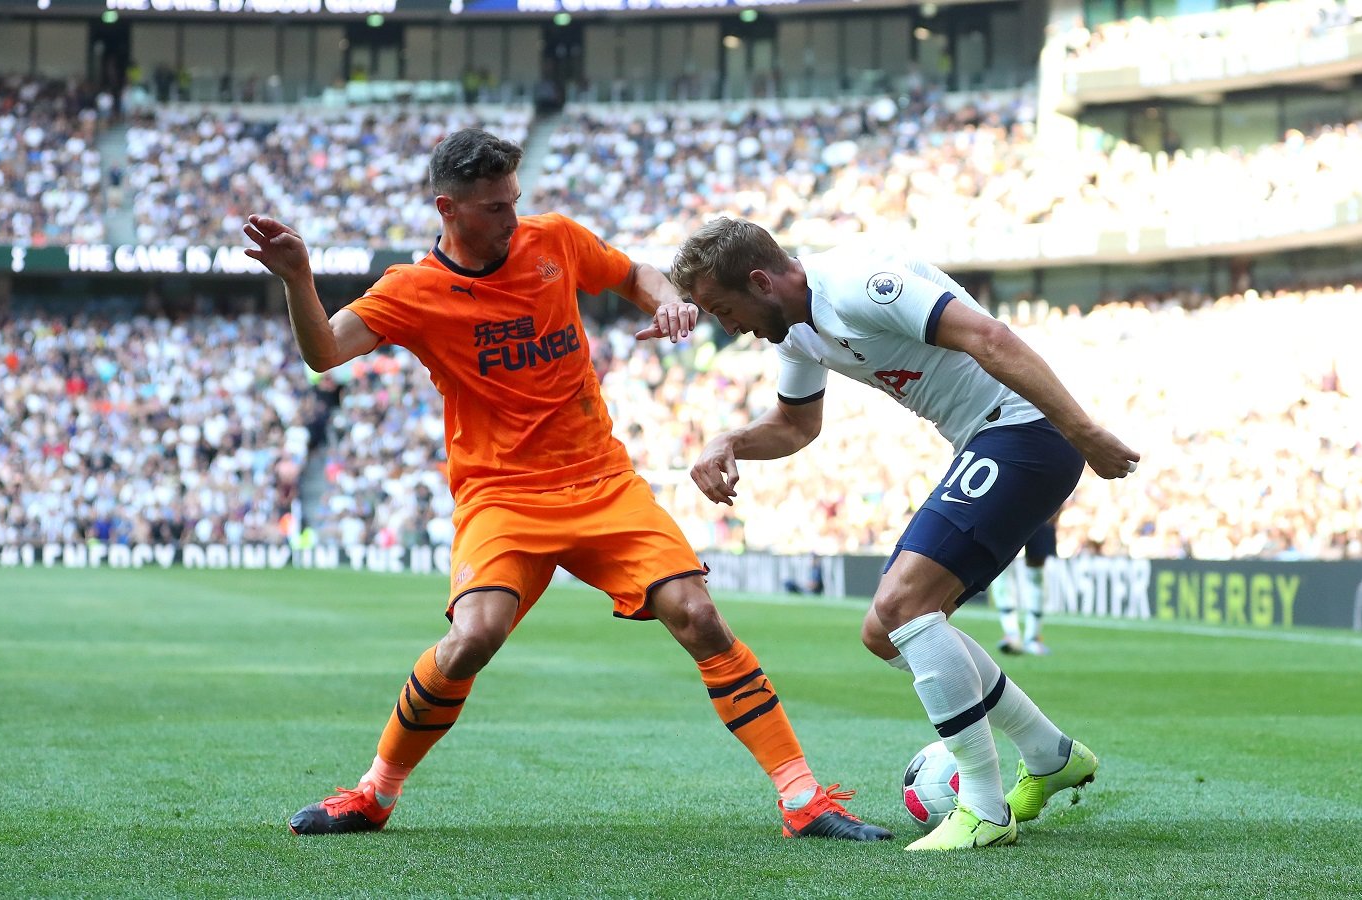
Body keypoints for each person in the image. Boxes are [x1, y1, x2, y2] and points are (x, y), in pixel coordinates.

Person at [243, 130, 889, 842]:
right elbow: (324, 352)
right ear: (447, 209)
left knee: (699, 617)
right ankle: (374, 792)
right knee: (472, 638)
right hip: (502, 495)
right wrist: (297, 277)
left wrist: (667, 299)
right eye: (494, 207)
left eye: (515, 200)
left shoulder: (554, 241)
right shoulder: (413, 291)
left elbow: (635, 272)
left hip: (601, 480)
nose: (513, 218)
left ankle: (802, 797)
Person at [671, 217, 1139, 851]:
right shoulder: (797, 334)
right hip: (990, 438)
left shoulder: (859, 284)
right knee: (885, 629)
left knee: (902, 608)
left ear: (760, 280)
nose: (731, 328)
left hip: (1027, 431)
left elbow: (989, 336)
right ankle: (1049, 754)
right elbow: (795, 425)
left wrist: (1083, 433)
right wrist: (731, 440)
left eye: (727, 310)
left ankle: (982, 805)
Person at [991, 512, 1059, 656]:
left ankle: (1033, 637)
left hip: (1041, 506)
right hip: (1006, 509)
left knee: (1036, 569)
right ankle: (1011, 634)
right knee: (1001, 566)